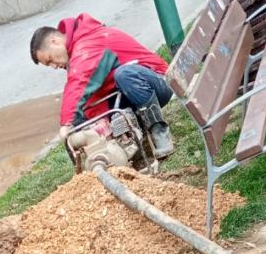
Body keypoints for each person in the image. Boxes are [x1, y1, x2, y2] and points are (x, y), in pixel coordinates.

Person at [30, 17, 175, 158]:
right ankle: (133, 136)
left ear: (54, 41)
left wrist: (67, 123)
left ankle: (160, 132)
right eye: (49, 65)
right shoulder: (76, 55)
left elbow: (78, 84)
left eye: (50, 59)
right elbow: (89, 97)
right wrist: (99, 126)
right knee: (94, 113)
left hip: (159, 82)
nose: (54, 66)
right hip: (132, 90)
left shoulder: (87, 44)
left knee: (123, 75)